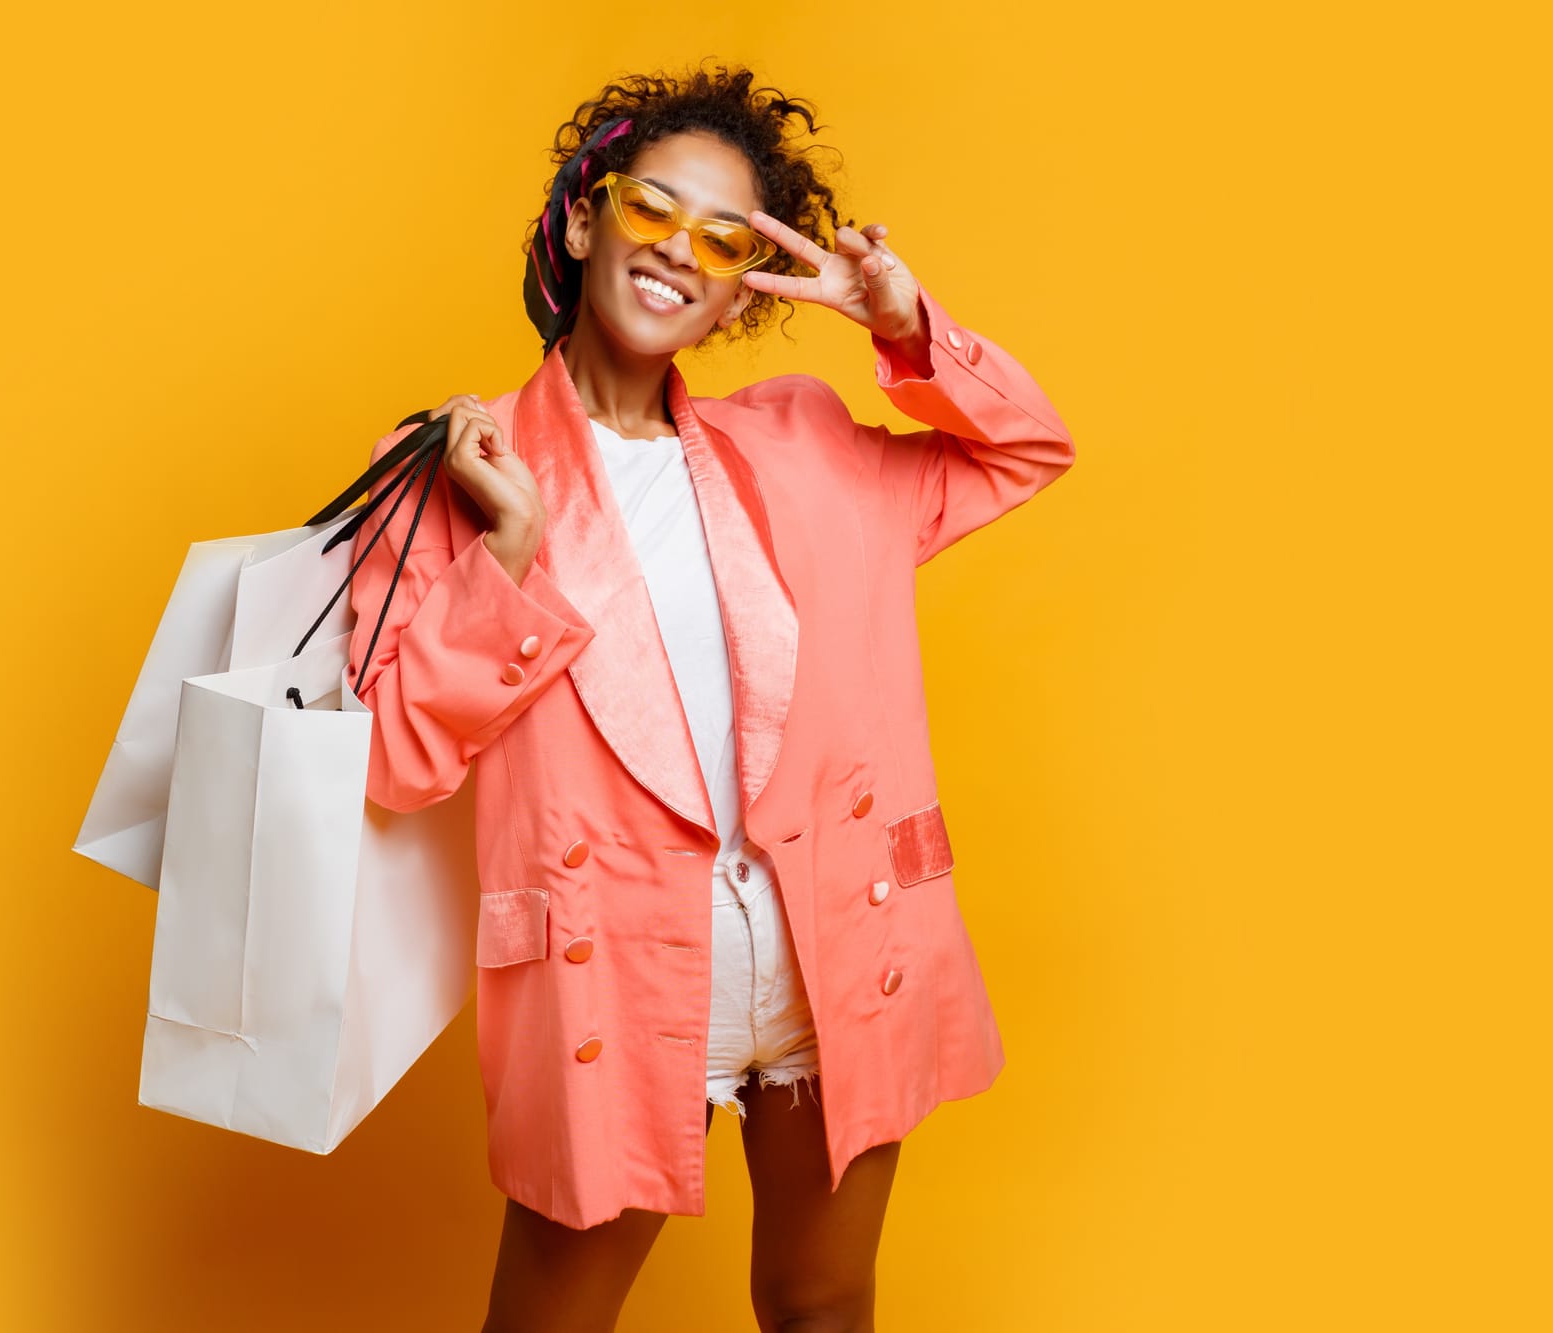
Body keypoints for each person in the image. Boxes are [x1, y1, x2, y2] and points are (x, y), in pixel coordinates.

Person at [343, 61, 1076, 1333]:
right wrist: (504, 558)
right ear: (584, 219)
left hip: (830, 952)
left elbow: (1024, 448)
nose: (679, 251)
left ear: (741, 289)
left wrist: (900, 326)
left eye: (722, 237)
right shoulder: (449, 473)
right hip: (612, 974)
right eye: (651, 208)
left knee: (821, 1304)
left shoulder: (802, 445)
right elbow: (393, 756)